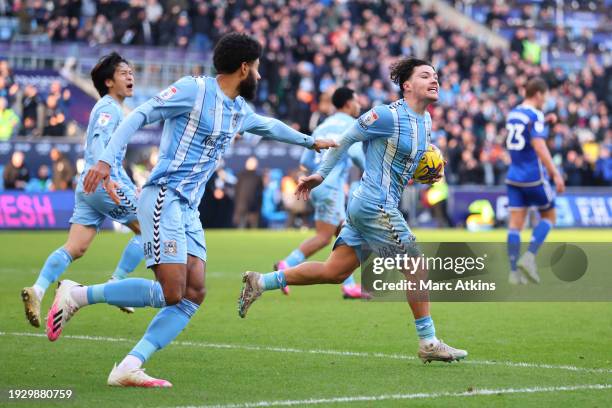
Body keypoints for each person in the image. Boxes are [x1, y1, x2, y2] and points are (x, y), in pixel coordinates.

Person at [46, 33, 335, 387]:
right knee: (172, 292)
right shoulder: (193, 90)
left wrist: (310, 141)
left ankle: (129, 366)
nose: (259, 76)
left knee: (193, 293)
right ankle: (77, 295)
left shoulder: (238, 109)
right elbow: (139, 114)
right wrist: (106, 160)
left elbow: (268, 126)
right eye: (257, 69)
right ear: (244, 68)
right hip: (163, 198)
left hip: (188, 210)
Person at [239, 58, 468, 363]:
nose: (434, 80)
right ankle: (428, 342)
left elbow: (398, 170)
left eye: (436, 75)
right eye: (426, 75)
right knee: (416, 266)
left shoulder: (425, 122)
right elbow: (346, 140)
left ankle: (260, 281)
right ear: (407, 85)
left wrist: (423, 176)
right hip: (375, 204)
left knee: (335, 272)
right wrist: (320, 175)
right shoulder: (386, 115)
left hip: (368, 204)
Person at [21, 53, 144, 328]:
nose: (131, 77)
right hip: (100, 182)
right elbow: (101, 144)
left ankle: (38, 290)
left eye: (131, 72)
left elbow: (110, 153)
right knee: (149, 228)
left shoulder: (110, 107)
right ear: (109, 82)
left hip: (88, 185)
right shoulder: (109, 108)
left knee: (75, 248)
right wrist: (109, 178)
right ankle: (117, 284)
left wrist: (124, 180)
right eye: (124, 73)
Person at [274, 87, 366, 298]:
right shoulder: (350, 125)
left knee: (343, 233)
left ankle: (349, 285)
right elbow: (358, 156)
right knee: (325, 237)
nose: (359, 105)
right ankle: (286, 265)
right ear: (348, 104)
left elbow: (305, 161)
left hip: (316, 183)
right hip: (330, 186)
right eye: (356, 101)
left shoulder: (322, 126)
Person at [505, 78, 565, 285]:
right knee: (550, 216)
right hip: (534, 176)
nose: (546, 100)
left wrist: (546, 121)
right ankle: (529, 257)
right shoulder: (535, 114)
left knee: (515, 225)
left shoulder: (514, 114)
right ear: (539, 94)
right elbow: (539, 146)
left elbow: (525, 130)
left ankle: (513, 273)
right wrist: (555, 173)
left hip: (513, 176)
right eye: (545, 95)